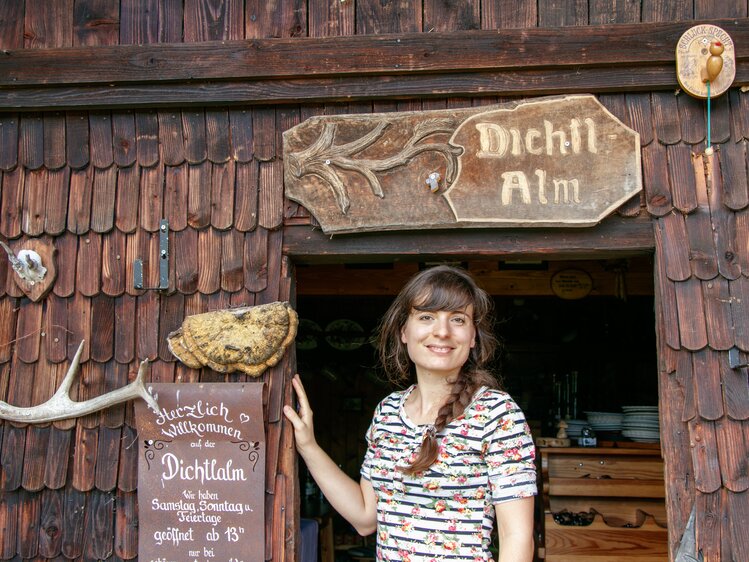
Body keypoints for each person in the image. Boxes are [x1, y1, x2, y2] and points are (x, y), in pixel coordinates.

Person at [284, 265, 537, 562]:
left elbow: (516, 537)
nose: (442, 331)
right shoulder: (388, 412)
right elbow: (365, 517)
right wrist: (308, 446)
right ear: (404, 331)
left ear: (473, 337)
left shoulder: (497, 413)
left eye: (457, 319)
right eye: (427, 317)